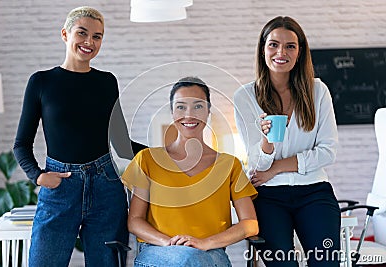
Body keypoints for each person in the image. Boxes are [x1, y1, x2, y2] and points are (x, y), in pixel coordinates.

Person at [13, 6, 146, 266]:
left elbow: (121, 144)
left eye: (97, 37)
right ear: (65, 34)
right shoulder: (41, 82)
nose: (89, 42)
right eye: (82, 33)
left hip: (106, 187)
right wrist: (38, 176)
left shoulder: (107, 82)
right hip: (60, 187)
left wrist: (164, 152)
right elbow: (21, 144)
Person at [234, 16, 340, 266]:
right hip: (269, 197)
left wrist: (278, 168)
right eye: (273, 44)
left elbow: (328, 152)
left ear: (300, 52)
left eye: (290, 46)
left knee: (326, 262)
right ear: (262, 49)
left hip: (315, 192)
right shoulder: (245, 97)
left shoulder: (317, 91)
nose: (281, 52)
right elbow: (257, 165)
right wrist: (266, 143)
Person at [121, 77, 259, 267]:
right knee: (187, 259)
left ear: (209, 111)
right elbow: (135, 220)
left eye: (198, 107)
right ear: (172, 112)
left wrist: (205, 243)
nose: (189, 114)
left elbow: (250, 224)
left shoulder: (229, 165)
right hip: (158, 252)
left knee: (192, 259)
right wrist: (168, 243)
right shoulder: (147, 160)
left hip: (210, 254)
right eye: (180, 107)